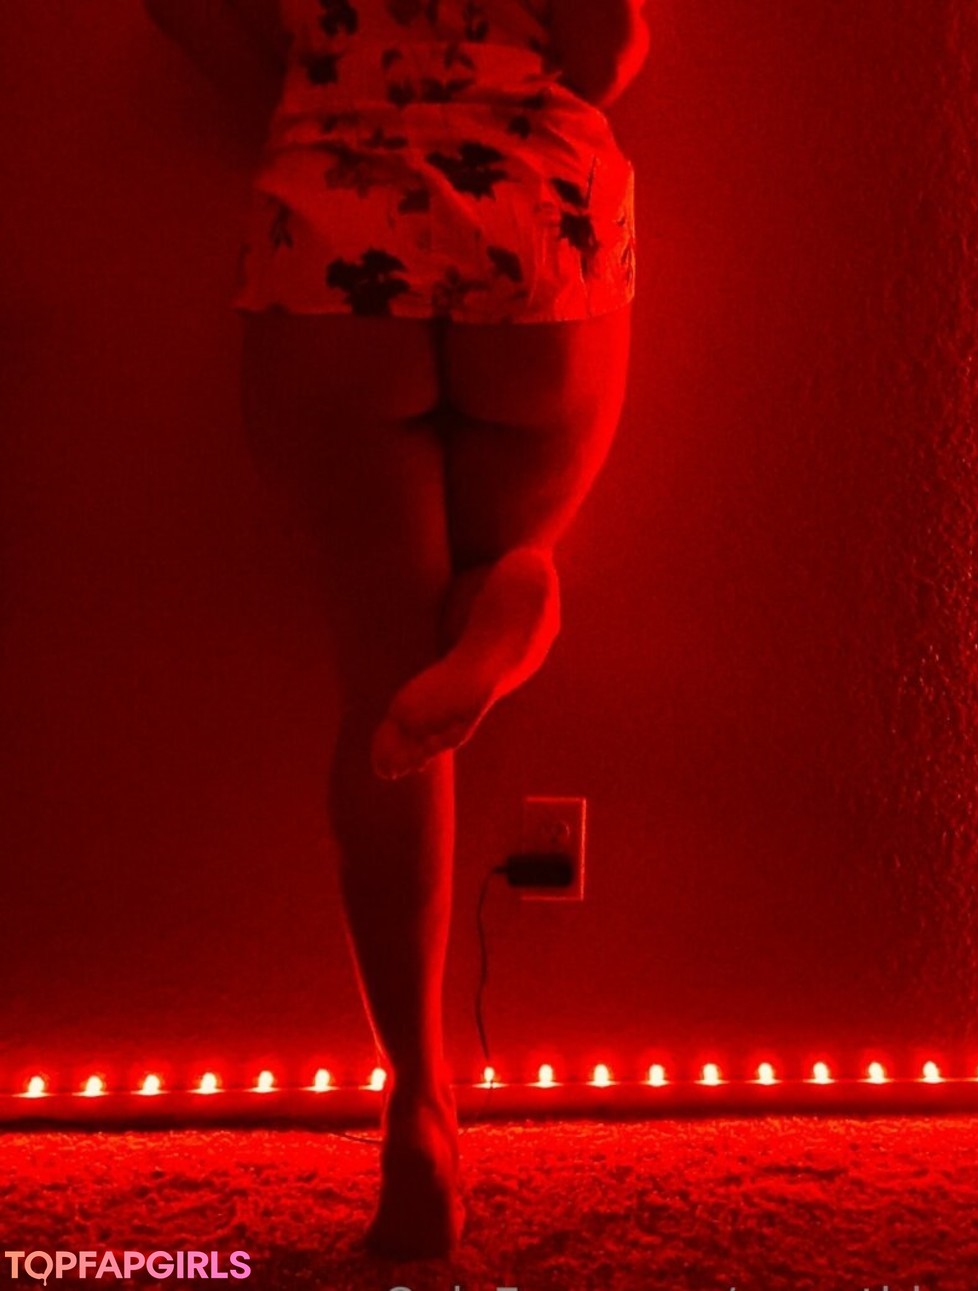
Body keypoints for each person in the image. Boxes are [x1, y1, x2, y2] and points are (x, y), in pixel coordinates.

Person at [144, 0, 650, 1261]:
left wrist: (310, 97)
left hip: (332, 220)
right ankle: (513, 601)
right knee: (511, 552)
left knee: (383, 683)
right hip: (532, 220)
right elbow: (609, 52)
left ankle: (420, 1101)